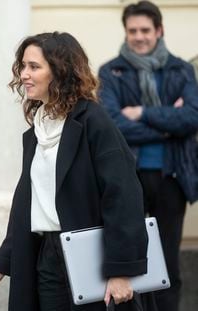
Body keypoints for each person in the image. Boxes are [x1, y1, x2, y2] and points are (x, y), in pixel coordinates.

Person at [0, 31, 150, 311]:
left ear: (60, 71)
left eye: (34, 67)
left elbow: (123, 195)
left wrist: (121, 270)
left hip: (93, 258)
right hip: (47, 256)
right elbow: (27, 208)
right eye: (23, 67)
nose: (24, 75)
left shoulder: (93, 121)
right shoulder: (35, 133)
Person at [98, 2, 198, 311]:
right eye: (132, 31)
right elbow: (114, 124)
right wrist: (168, 125)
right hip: (129, 178)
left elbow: (192, 117)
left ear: (159, 30)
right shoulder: (110, 71)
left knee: (168, 262)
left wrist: (142, 113)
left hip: (172, 177)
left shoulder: (181, 69)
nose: (138, 37)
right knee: (128, 259)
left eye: (145, 30)